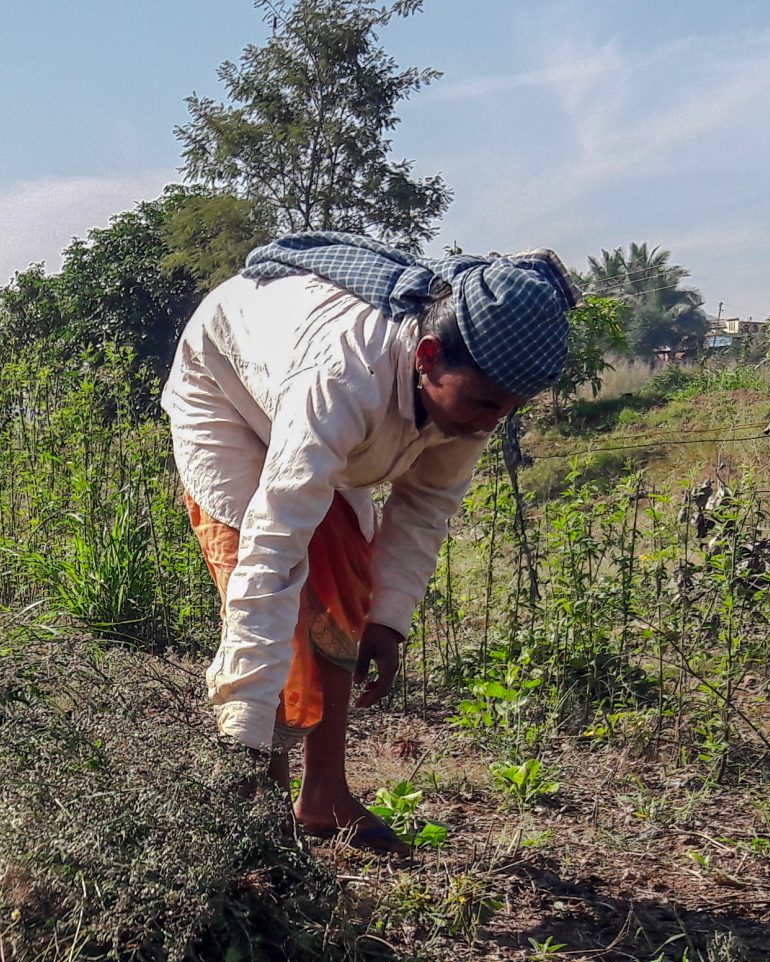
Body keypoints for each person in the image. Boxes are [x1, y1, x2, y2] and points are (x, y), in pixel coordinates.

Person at [162, 232, 579, 851]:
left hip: (313, 412)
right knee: (285, 603)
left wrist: (387, 620)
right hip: (224, 389)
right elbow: (273, 553)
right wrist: (244, 723)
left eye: (508, 410)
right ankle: (262, 812)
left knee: (346, 588)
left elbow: (425, 506)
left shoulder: (469, 398)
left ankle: (323, 795)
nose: (492, 423)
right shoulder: (344, 378)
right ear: (429, 356)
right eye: (486, 404)